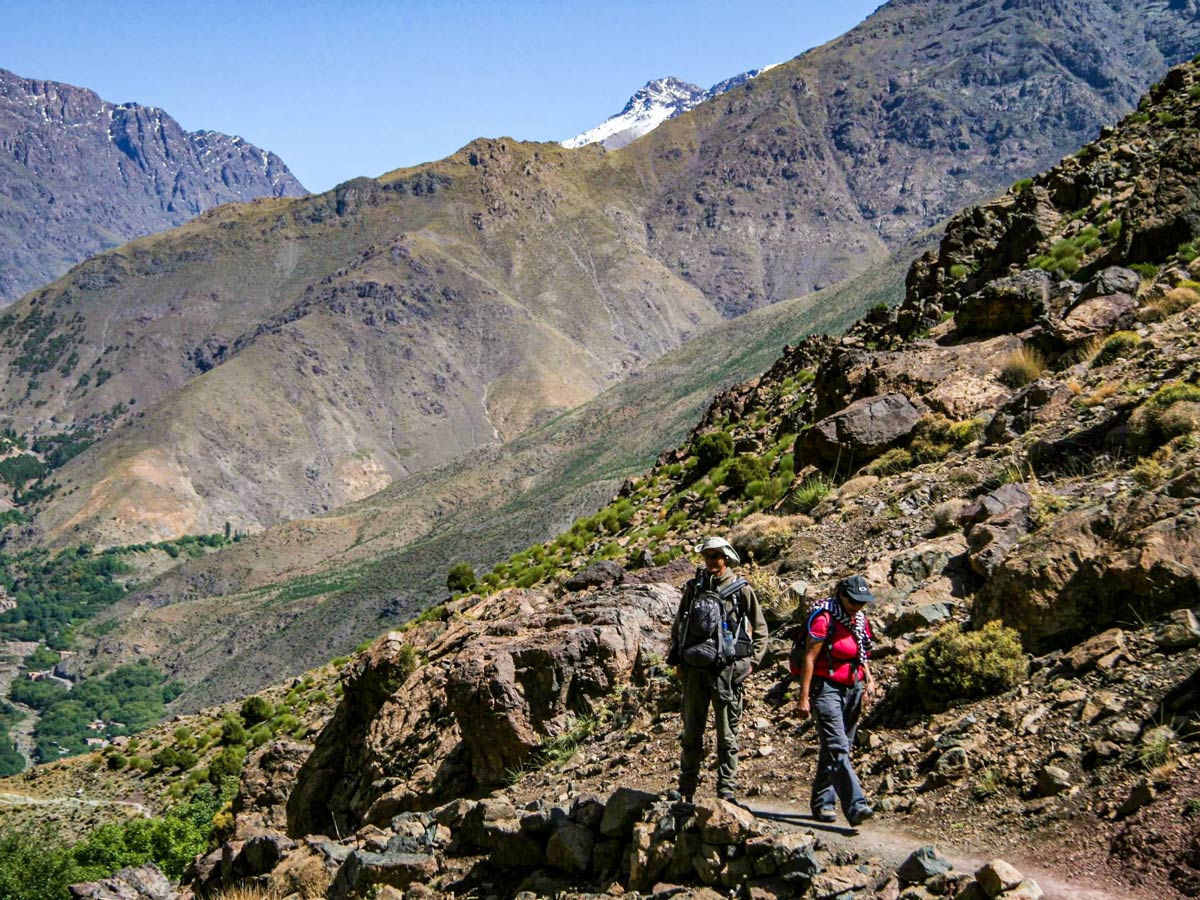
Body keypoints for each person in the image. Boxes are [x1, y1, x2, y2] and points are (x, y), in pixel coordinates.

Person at [666, 536, 768, 804]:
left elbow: (760, 629)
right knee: (691, 733)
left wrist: (753, 662)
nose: (711, 561)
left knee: (727, 734)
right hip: (694, 671)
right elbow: (679, 627)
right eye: (707, 556)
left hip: (726, 671)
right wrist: (677, 661)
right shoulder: (693, 588)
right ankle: (686, 788)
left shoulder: (741, 589)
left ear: (726, 558)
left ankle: (726, 789)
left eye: (716, 556)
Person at [796, 574, 878, 826]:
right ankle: (856, 805)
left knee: (837, 748)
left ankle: (823, 803)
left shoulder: (859, 620)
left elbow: (862, 652)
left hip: (853, 687)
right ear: (841, 595)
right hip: (826, 688)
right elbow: (809, 658)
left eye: (862, 602)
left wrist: (870, 679)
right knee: (838, 747)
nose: (858, 606)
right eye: (854, 601)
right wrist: (803, 697)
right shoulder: (824, 618)